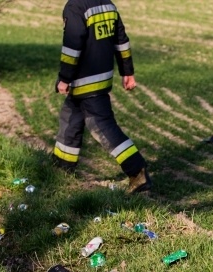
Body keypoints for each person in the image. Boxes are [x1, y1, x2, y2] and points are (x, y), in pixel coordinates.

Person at [53, 0, 151, 193]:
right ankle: (62, 169)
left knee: (102, 126)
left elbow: (72, 47)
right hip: (101, 79)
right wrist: (127, 72)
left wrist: (64, 78)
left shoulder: (75, 7)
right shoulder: (108, 5)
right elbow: (121, 41)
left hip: (83, 81)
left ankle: (137, 171)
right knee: (70, 119)